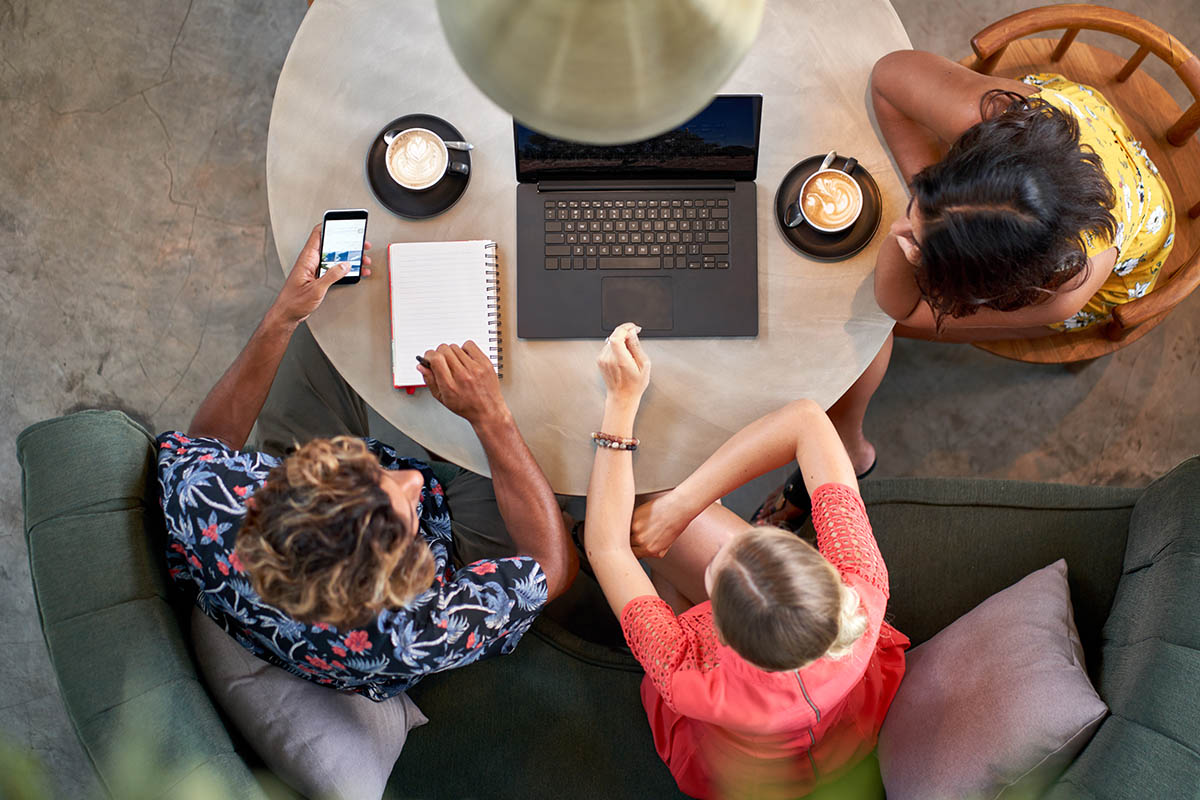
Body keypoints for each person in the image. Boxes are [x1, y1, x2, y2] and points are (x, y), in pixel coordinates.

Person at [157, 223, 577, 700]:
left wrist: (284, 315)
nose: (416, 478)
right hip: (449, 544)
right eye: (404, 514)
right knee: (559, 450)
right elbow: (554, 569)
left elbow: (210, 444)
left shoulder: (203, 499)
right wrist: (491, 416)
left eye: (371, 473)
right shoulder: (415, 633)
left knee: (327, 331)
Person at [782, 50, 1177, 516]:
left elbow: (900, 311)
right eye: (932, 191)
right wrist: (932, 212)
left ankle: (849, 449)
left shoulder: (1062, 288)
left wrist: (903, 244)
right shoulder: (995, 113)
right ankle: (845, 448)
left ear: (992, 280)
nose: (907, 224)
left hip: (1127, 246)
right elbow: (888, 77)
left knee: (868, 328)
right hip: (1070, 140)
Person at [583, 323, 908, 799]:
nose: (723, 549)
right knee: (653, 538)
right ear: (819, 565)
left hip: (735, 764)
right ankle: (654, 573)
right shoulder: (861, 584)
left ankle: (654, 576)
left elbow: (605, 546)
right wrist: (681, 509)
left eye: (718, 569)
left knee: (641, 522)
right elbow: (806, 420)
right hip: (838, 727)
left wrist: (621, 403)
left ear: (716, 627)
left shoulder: (688, 672)